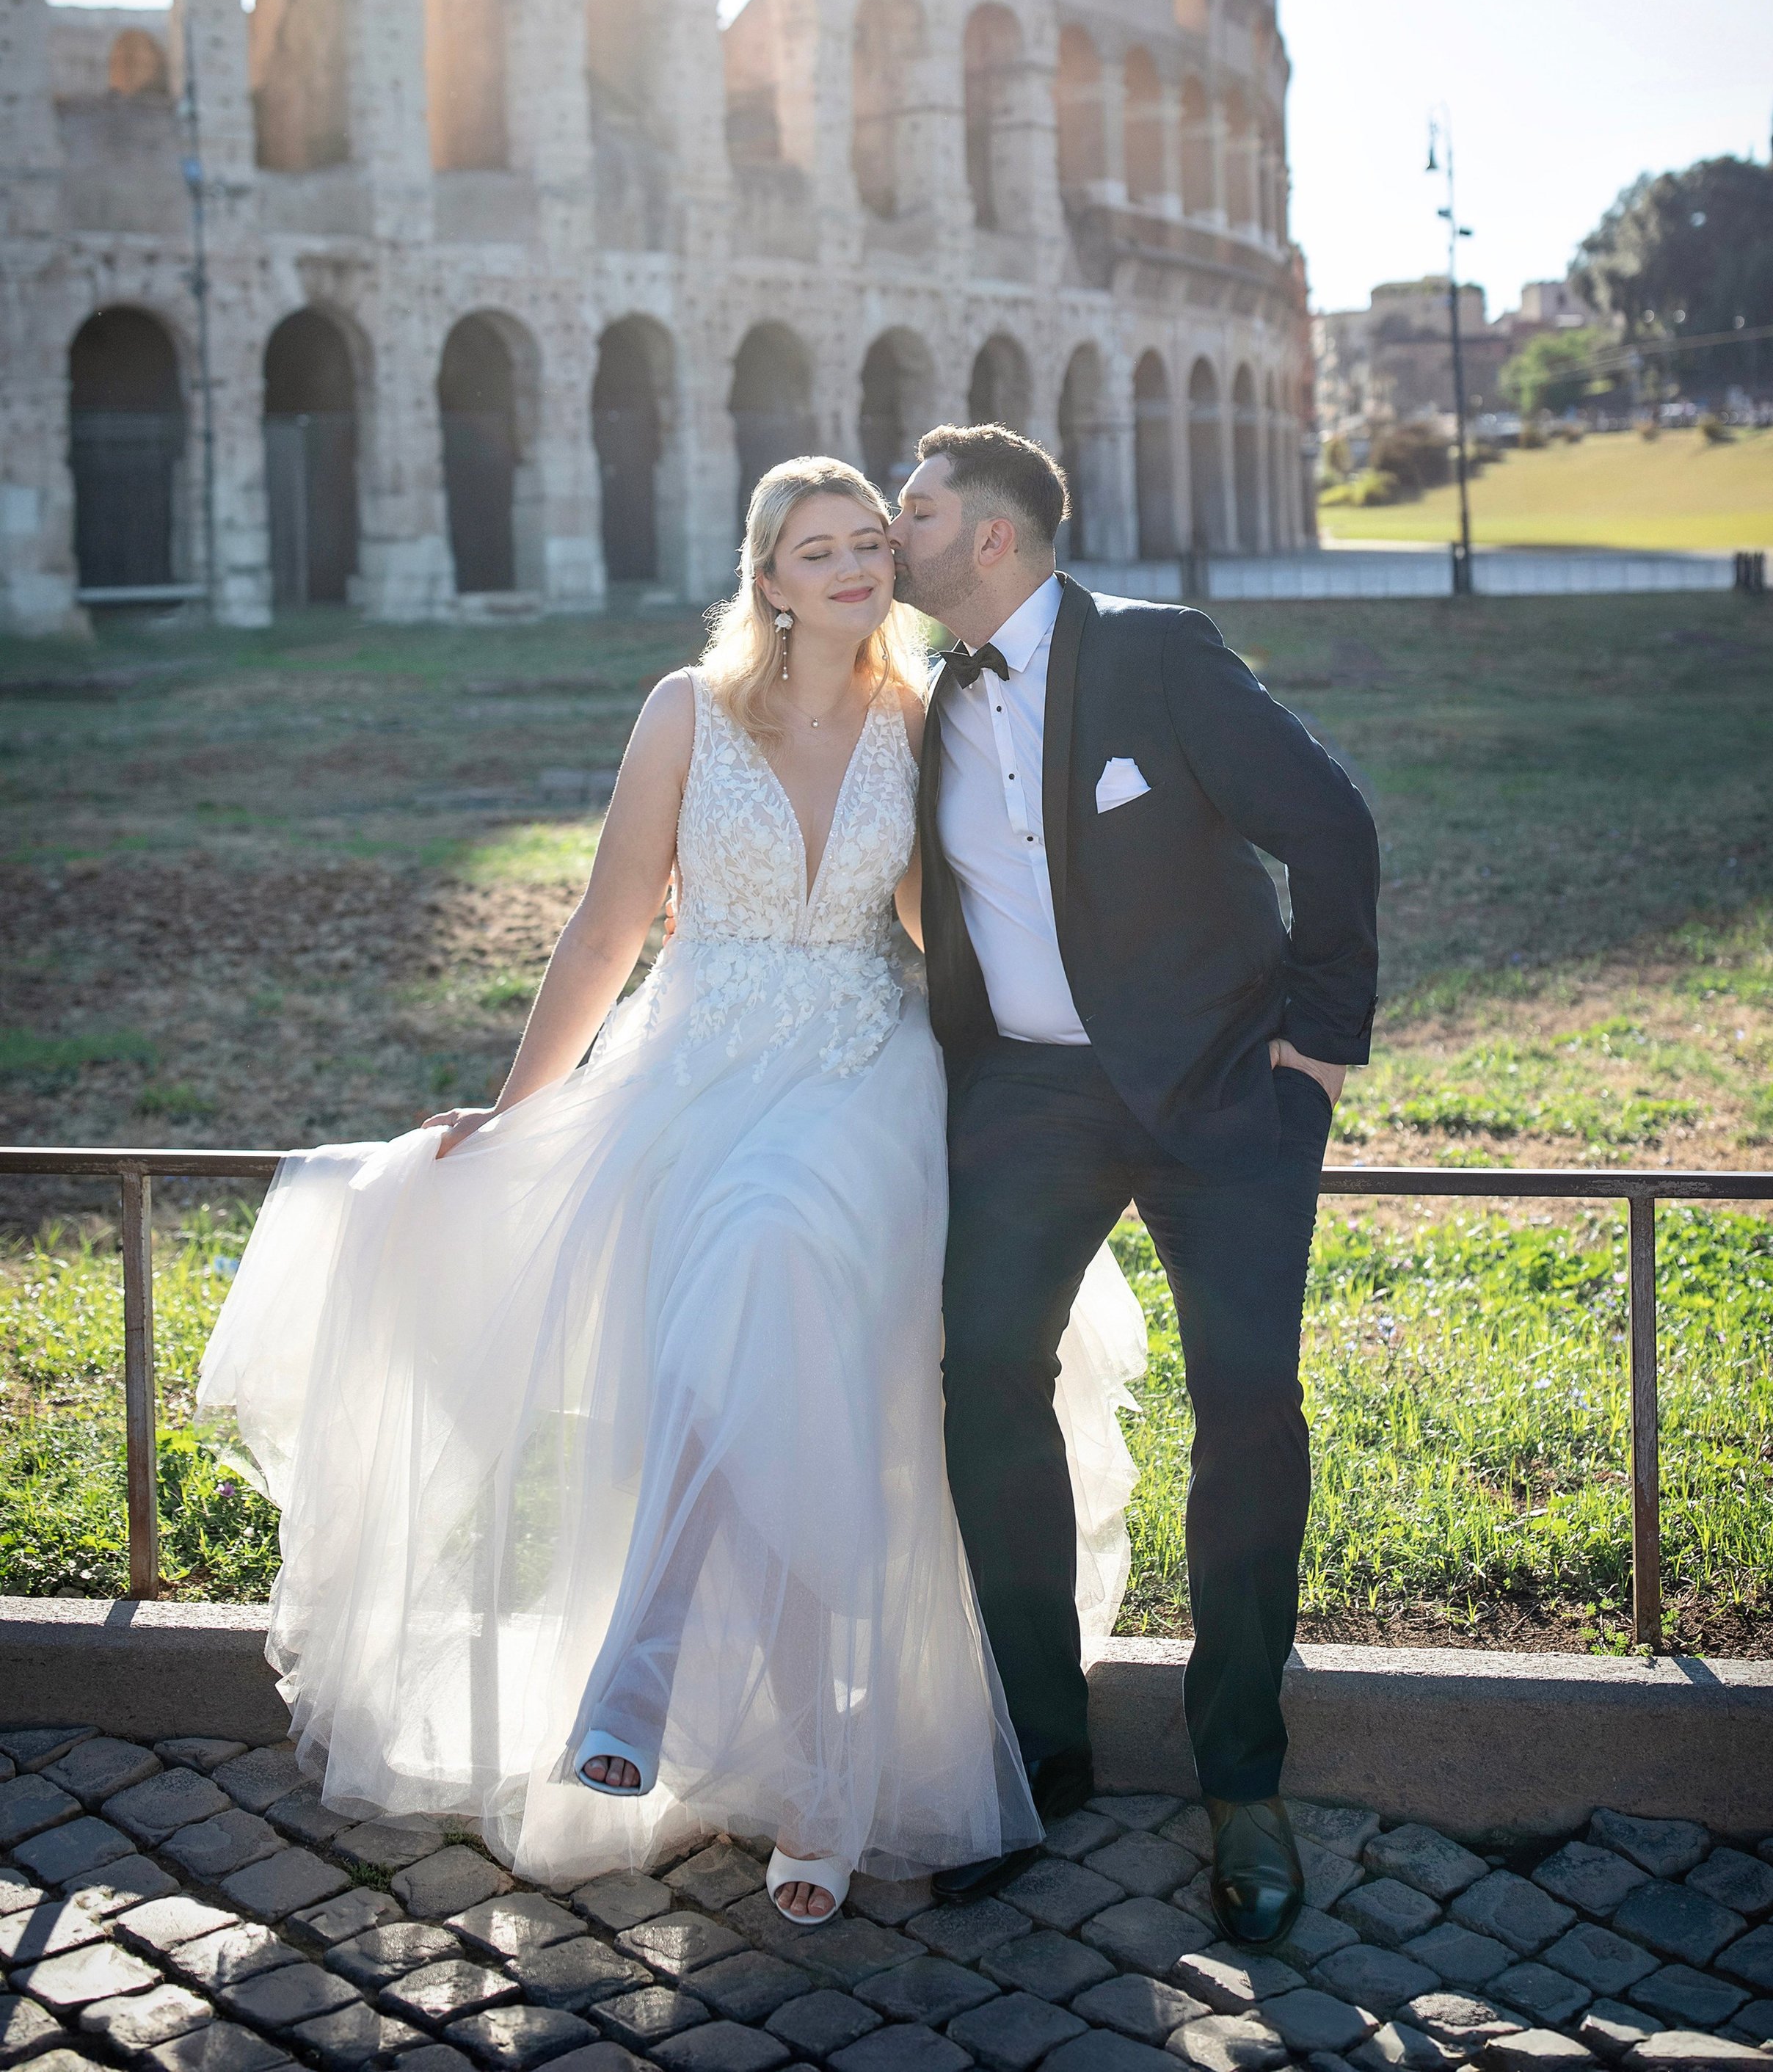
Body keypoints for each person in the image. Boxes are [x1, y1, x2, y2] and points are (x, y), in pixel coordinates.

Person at [198, 458, 1143, 1922]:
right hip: (699, 1066)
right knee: (752, 1363)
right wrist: (515, 1113)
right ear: (766, 578)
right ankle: (817, 1782)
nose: (851, 566)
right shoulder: (684, 713)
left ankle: (644, 1662)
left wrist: (1068, 1033)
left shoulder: (920, 717)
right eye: (815, 550)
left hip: (860, 1073)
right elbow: (605, 927)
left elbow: (942, 922)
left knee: (771, 1251)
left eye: (866, 543)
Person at [889, 423, 1380, 1948]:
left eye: (914, 511)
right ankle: (1040, 1751)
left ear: (992, 537)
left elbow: (1329, 824)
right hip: (1030, 1097)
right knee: (981, 1375)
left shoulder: (1159, 656)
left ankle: (1243, 1776)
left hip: (1224, 1090)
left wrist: (1317, 1050)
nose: (893, 533)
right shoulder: (922, 698)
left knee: (1246, 1405)